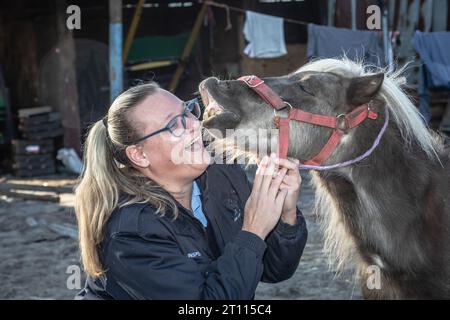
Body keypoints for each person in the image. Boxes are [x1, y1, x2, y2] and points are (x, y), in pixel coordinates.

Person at [74, 82, 308, 300]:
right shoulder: (131, 233)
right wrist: (254, 230)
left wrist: (286, 215)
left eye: (187, 111)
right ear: (139, 155)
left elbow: (273, 269)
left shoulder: (220, 172)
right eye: (174, 124)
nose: (196, 125)